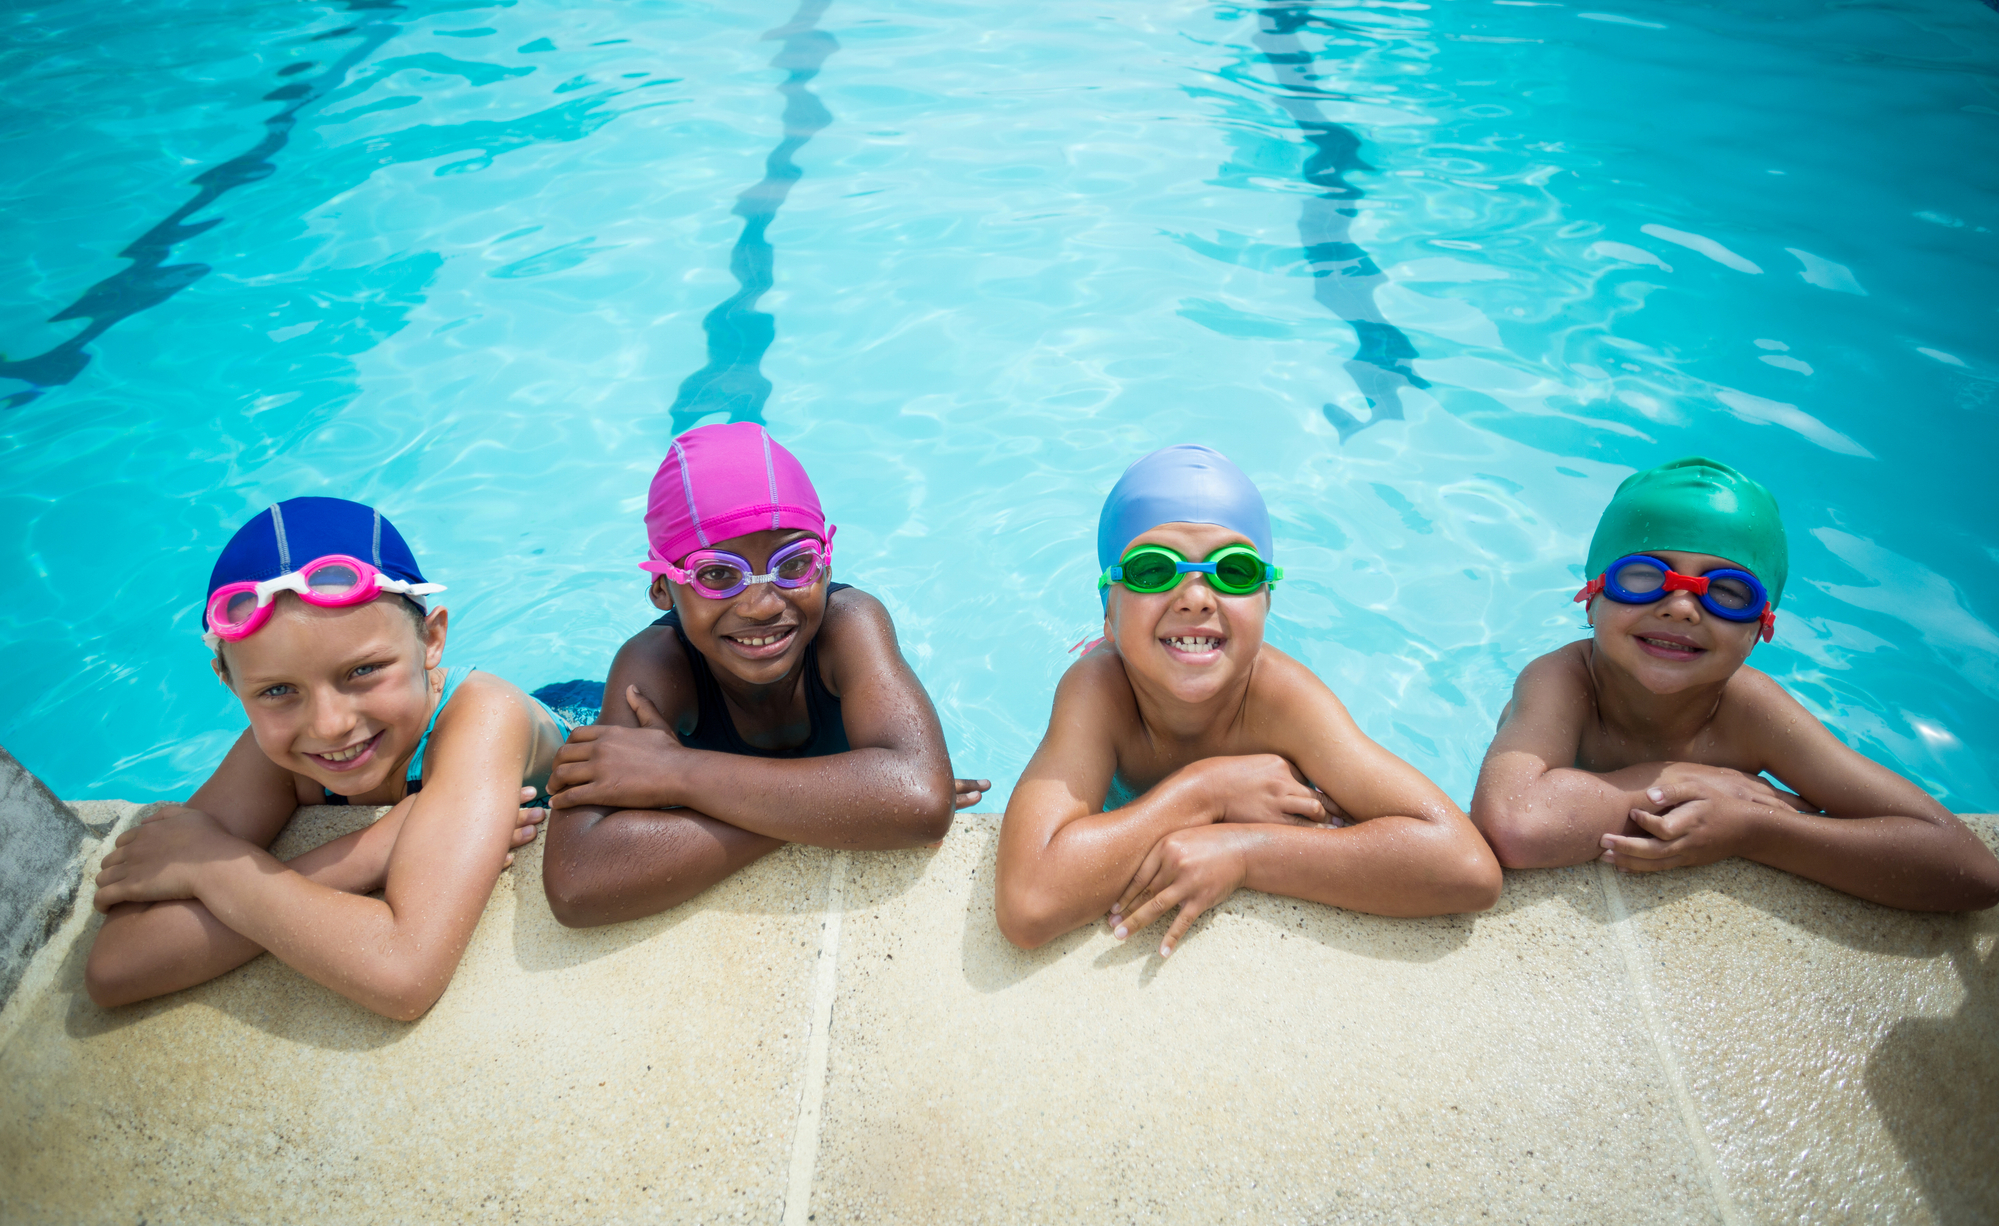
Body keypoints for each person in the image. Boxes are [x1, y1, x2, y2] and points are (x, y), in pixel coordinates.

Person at [994, 444, 1501, 954]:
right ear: (1109, 613)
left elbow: (1466, 865)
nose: (1196, 596)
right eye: (1153, 570)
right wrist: (1206, 791)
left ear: (1266, 603)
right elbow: (1028, 904)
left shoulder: (1284, 699)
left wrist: (1244, 851)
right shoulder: (1099, 690)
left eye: (1233, 570)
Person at [86, 497, 560, 1019]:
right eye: (277, 690)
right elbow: (115, 964)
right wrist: (369, 852)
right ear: (231, 683)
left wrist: (211, 867)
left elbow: (405, 972)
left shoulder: (485, 717)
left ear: (431, 638)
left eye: (363, 671)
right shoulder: (276, 753)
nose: (330, 724)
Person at [1472, 456, 1999, 911]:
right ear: (1592, 598)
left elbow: (1970, 869)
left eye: (1727, 592)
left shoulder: (1751, 710)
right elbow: (1515, 825)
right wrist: (1688, 779)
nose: (1681, 607)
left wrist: (1755, 830)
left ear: (1760, 629)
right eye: (1644, 576)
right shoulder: (1562, 680)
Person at [540, 423, 985, 927]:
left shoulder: (849, 624)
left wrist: (678, 773)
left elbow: (920, 799)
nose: (762, 605)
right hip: (573, 704)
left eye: (793, 563)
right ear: (662, 588)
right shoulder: (655, 664)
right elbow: (577, 882)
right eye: (716, 574)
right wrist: (855, 810)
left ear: (825, 563)